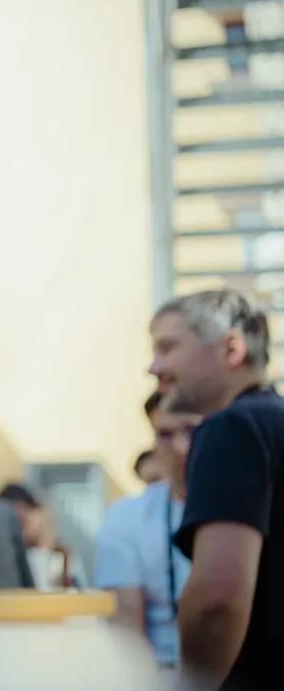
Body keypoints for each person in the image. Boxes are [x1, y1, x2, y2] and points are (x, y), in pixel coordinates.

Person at [149, 289, 283, 691]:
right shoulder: (273, 423)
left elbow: (216, 601)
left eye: (167, 347)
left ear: (230, 348)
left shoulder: (232, 428)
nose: (153, 367)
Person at [93, 390, 200, 668]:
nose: (180, 446)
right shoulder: (126, 516)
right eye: (165, 434)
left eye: (191, 430)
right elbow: (127, 631)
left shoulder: (257, 504)